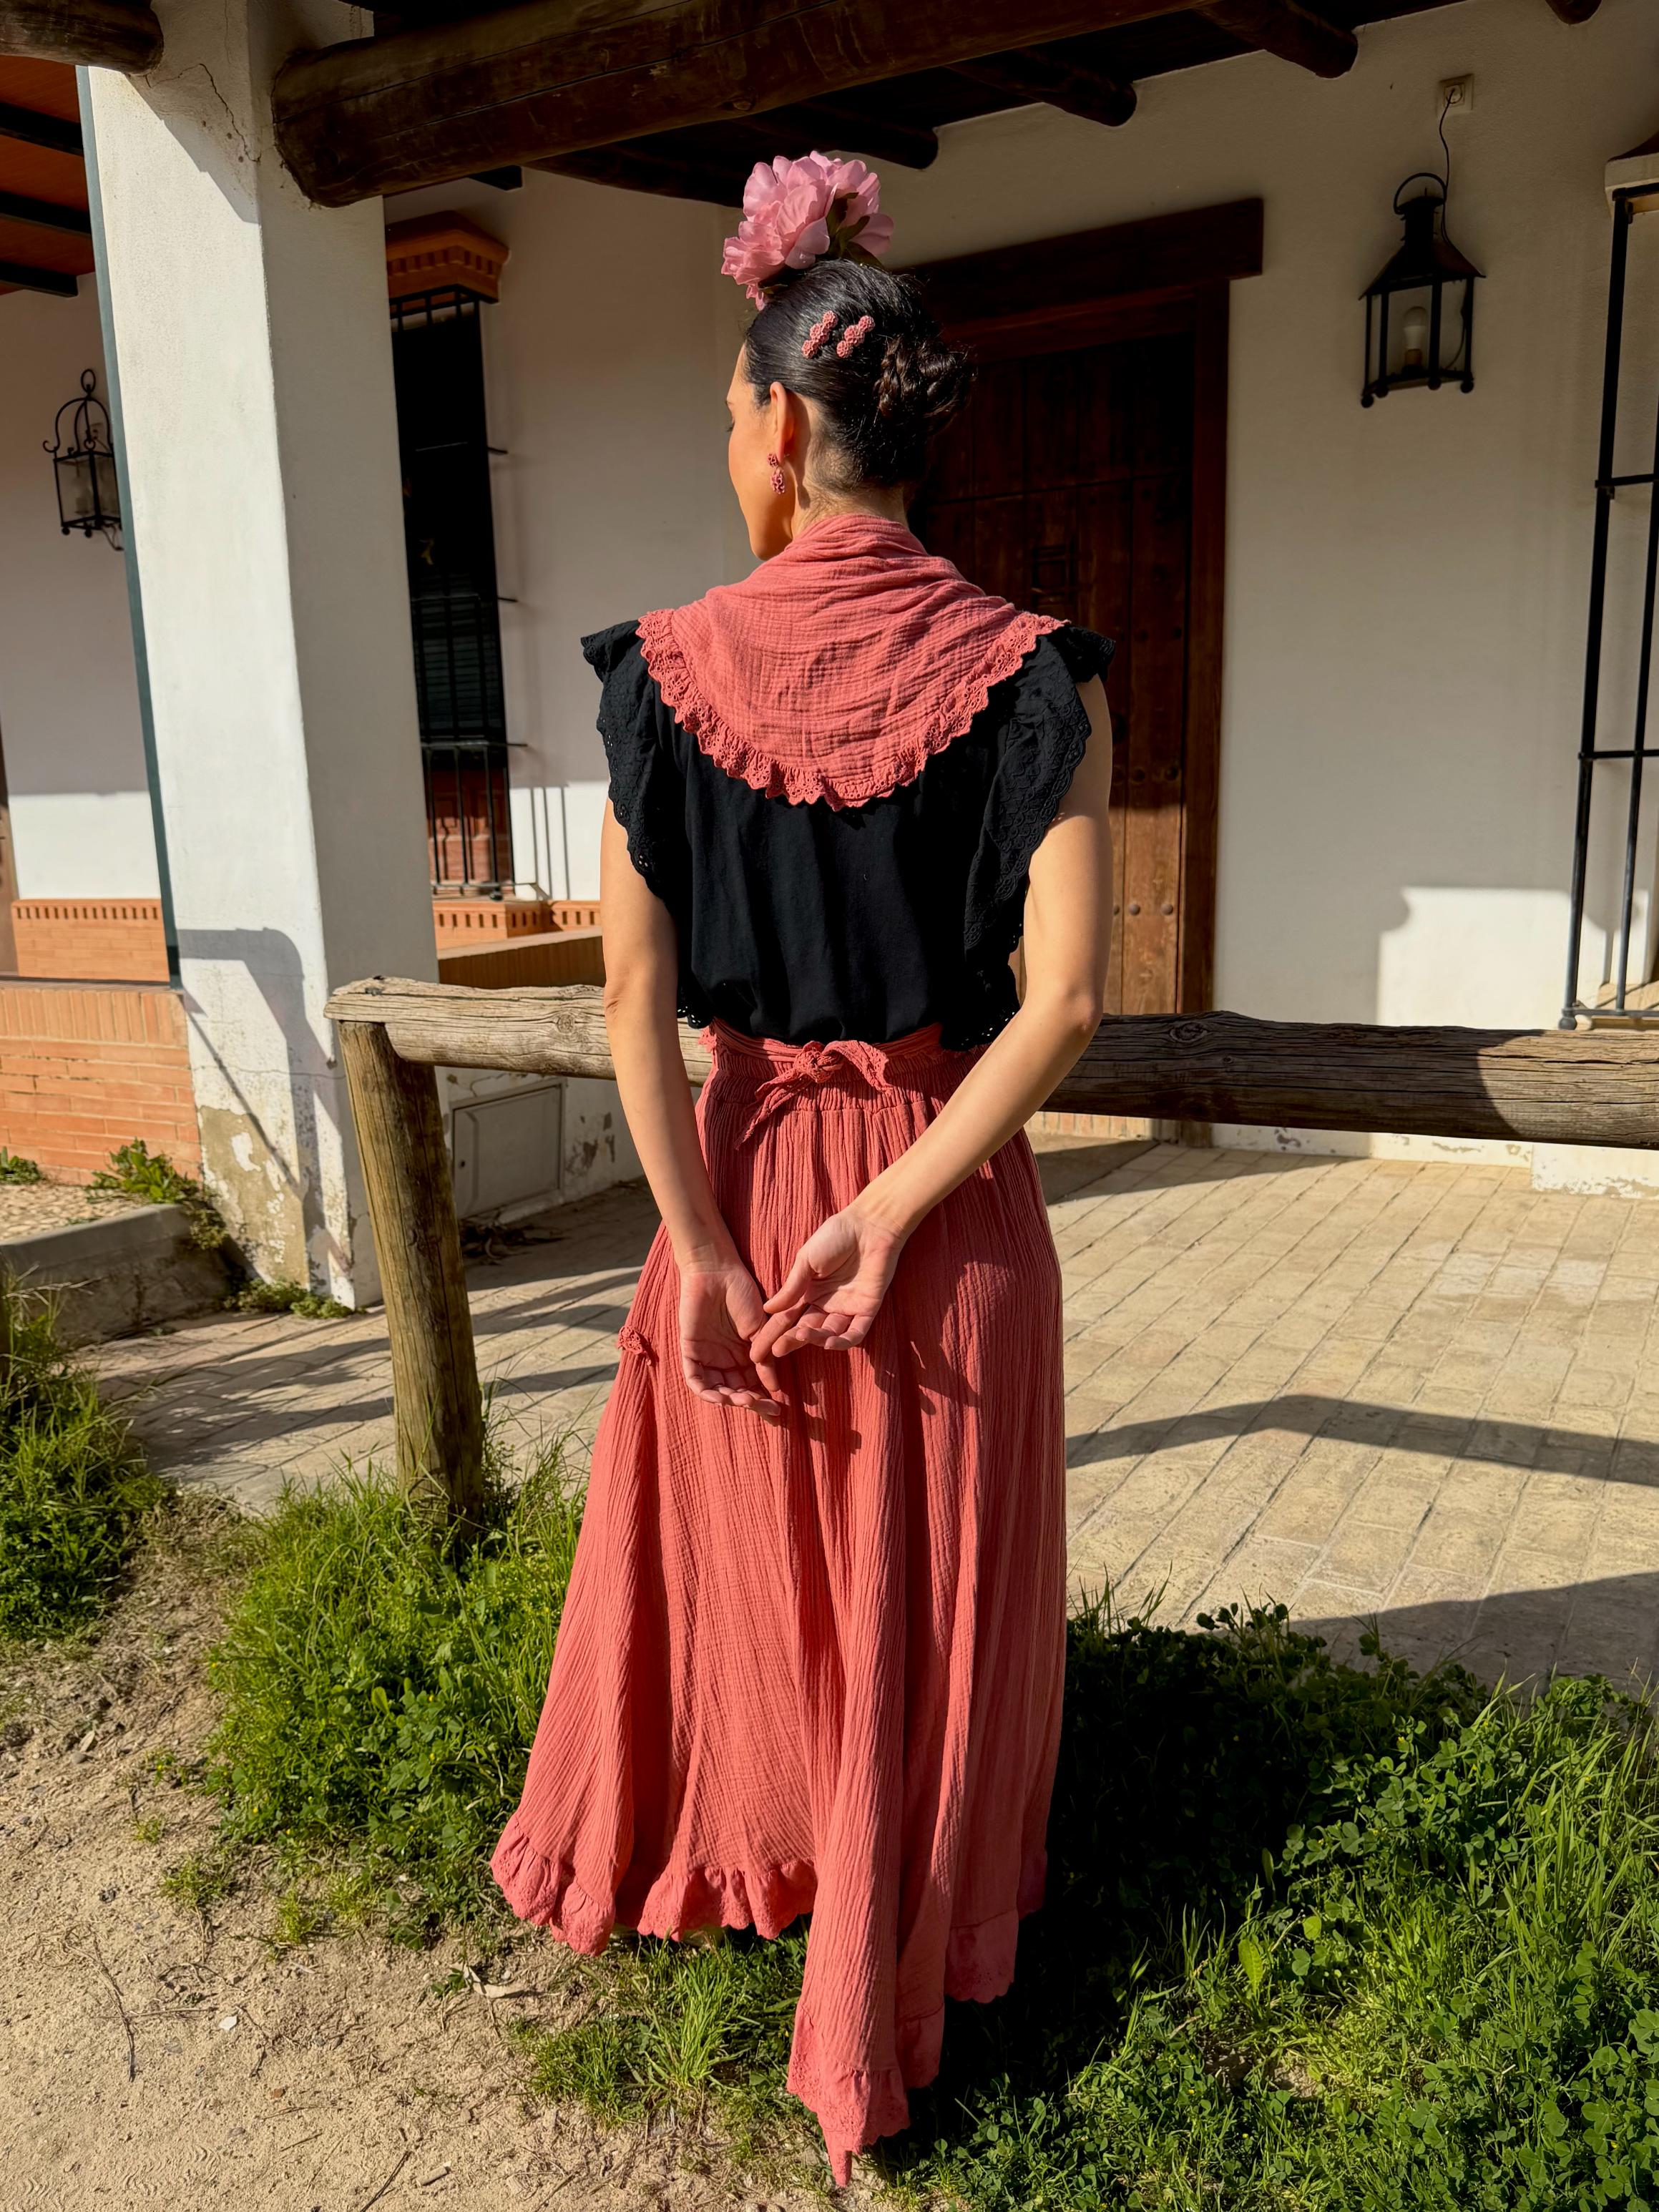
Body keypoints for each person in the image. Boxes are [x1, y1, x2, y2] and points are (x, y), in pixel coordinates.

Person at [493, 153, 1115, 2183]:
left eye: (725, 414)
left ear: (776, 419)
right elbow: (1068, 1008)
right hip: (938, 1212)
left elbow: (628, 1011)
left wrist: (693, 1246)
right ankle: (906, 1975)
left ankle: (769, 1888)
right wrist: (903, 1204)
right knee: (925, 1618)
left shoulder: (657, 675)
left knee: (767, 1599)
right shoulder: (1039, 677)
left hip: (746, 1185)